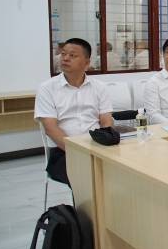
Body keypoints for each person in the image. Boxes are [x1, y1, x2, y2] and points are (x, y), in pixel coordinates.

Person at [34, 38, 113, 186]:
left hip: (96, 145)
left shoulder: (99, 87)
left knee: (123, 169)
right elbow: (50, 129)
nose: (65, 58)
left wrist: (104, 142)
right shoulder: (47, 88)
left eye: (72, 55)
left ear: (87, 63)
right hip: (63, 151)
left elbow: (106, 120)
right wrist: (79, 151)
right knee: (87, 176)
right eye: (63, 54)